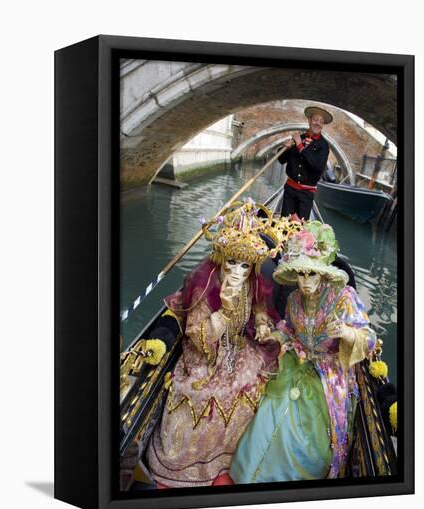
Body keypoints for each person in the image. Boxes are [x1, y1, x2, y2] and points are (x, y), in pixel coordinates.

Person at [145, 201, 288, 488]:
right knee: (202, 397)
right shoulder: (205, 284)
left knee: (259, 381)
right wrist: (223, 311)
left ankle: (238, 455)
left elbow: (260, 305)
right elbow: (197, 338)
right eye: (232, 263)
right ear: (222, 258)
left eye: (245, 265)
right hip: (205, 357)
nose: (237, 272)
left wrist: (261, 323)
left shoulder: (252, 282)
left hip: (238, 347)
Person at [230, 222, 377, 482]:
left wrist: (345, 332)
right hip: (295, 361)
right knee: (266, 406)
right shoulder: (294, 299)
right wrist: (274, 334)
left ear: (323, 273)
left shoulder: (344, 297)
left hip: (328, 377)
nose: (305, 282)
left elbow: (369, 340)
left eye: (311, 274)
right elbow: (288, 328)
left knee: (305, 433)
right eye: (300, 274)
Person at [278, 105, 333, 220]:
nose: (318, 123)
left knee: (300, 232)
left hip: (306, 194)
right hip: (290, 190)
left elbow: (317, 166)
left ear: (323, 125)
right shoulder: (299, 138)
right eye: (315, 120)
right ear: (309, 120)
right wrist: (285, 148)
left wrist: (300, 146)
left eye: (321, 122)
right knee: (283, 225)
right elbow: (281, 160)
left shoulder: (323, 146)